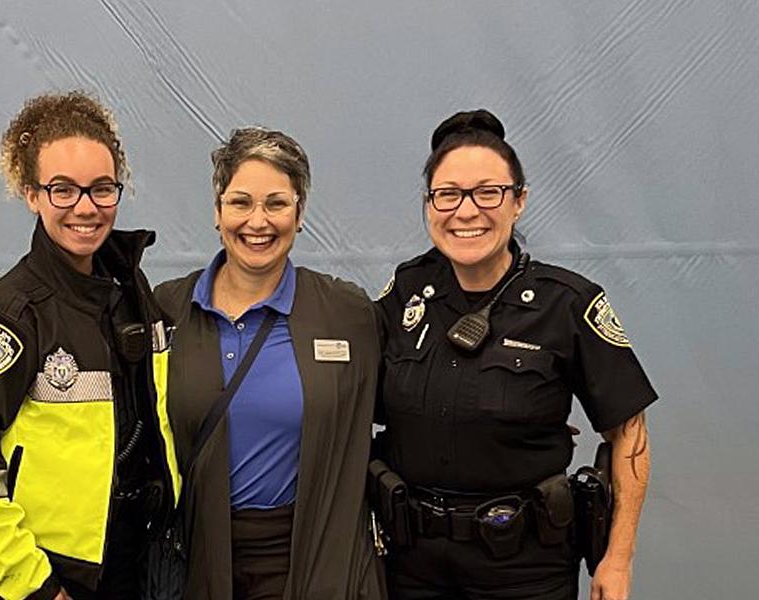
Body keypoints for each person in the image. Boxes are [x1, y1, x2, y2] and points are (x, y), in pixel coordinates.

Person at [373, 109, 657, 600]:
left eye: (488, 192)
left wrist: (619, 557)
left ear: (519, 201)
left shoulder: (567, 303)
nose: (466, 211)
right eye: (448, 194)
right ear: (429, 204)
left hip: (523, 567)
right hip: (410, 564)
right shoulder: (404, 293)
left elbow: (628, 430)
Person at [0, 91, 179, 600]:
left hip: (143, 564)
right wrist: (37, 586)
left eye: (101, 189)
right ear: (31, 193)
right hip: (60, 581)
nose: (85, 208)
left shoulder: (133, 292)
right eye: (63, 190)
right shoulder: (7, 319)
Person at [153, 127, 386, 599]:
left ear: (299, 214)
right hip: (198, 555)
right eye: (241, 202)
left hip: (317, 554)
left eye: (276, 203)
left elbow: (408, 400)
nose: (257, 221)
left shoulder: (348, 312)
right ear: (217, 211)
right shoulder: (167, 310)